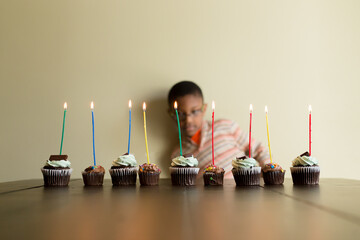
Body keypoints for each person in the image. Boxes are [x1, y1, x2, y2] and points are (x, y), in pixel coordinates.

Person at [168, 81, 270, 178]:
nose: (188, 120)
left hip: (249, 191)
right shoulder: (178, 156)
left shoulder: (224, 126)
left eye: (194, 111)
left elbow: (258, 149)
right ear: (171, 114)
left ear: (204, 109)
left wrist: (268, 172)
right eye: (180, 114)